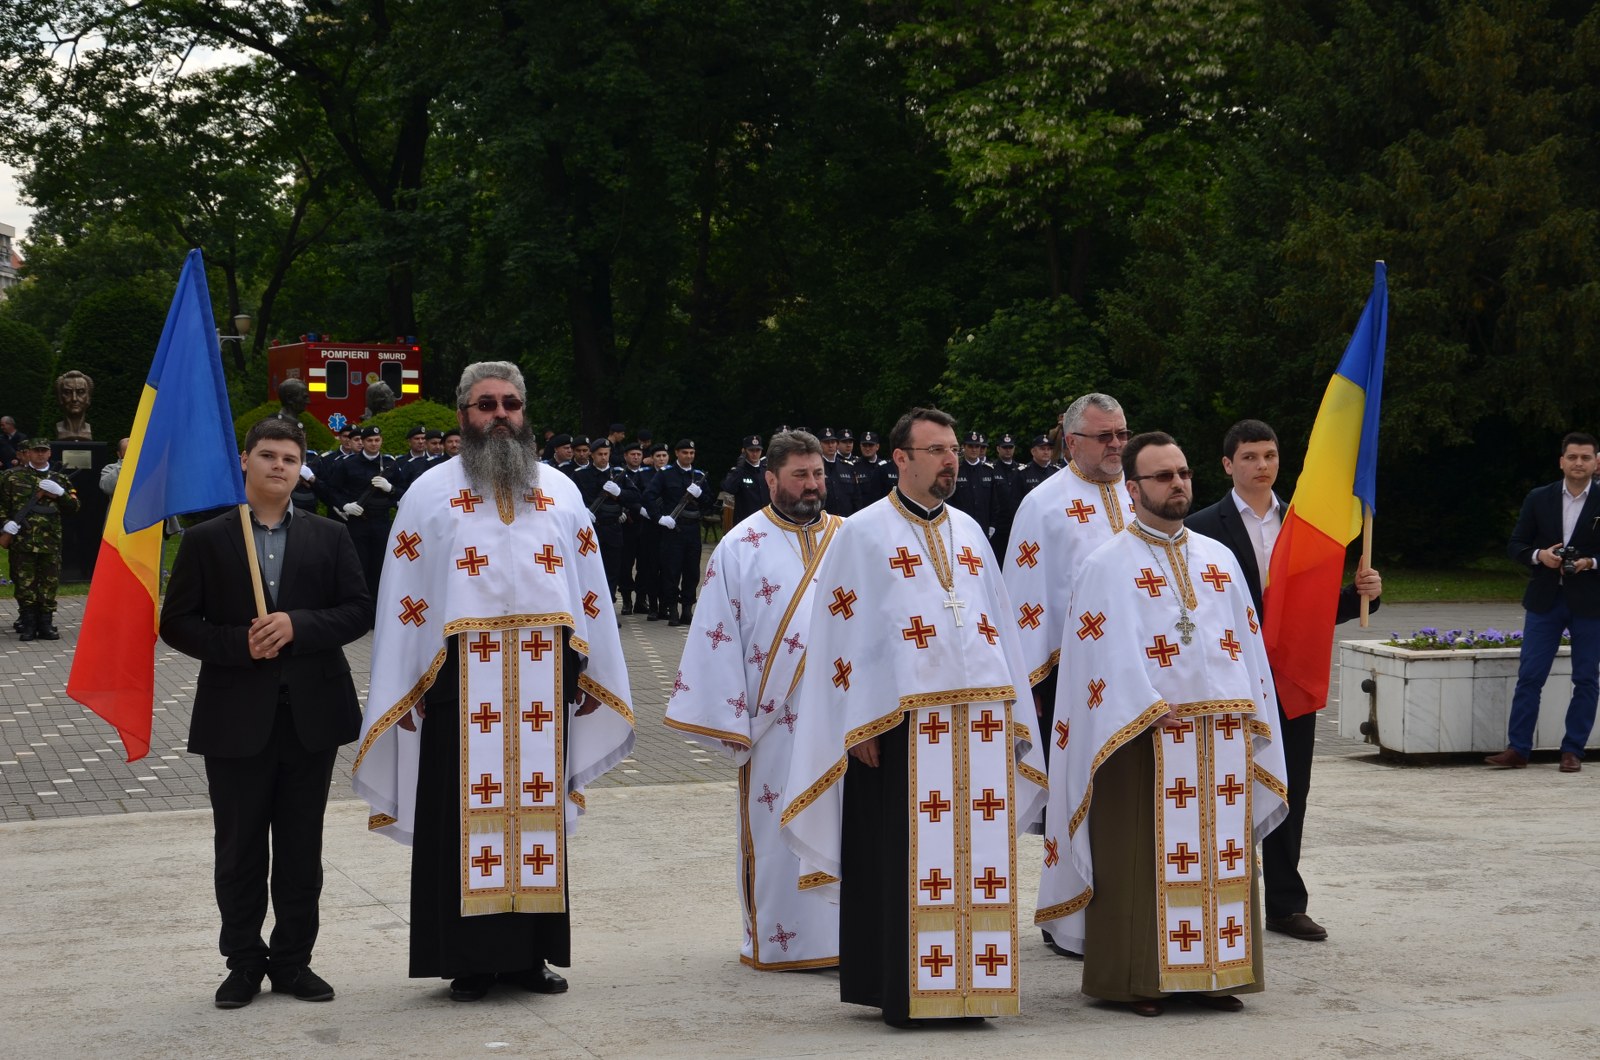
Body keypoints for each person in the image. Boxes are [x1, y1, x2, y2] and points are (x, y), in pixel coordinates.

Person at [352, 360, 635, 1003]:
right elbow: (406, 599)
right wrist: (409, 682)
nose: (500, 414)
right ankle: (469, 960)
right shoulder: (428, 494)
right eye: (487, 404)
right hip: (457, 687)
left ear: (524, 413)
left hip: (544, 681)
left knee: (537, 816)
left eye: (510, 403)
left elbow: (589, 592)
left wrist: (586, 669)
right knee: (460, 821)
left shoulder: (560, 491)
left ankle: (530, 956)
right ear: (463, 414)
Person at [783, 407, 1047, 1027]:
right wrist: (856, 723)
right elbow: (841, 635)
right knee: (902, 859)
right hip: (898, 727)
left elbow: (998, 623)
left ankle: (973, 985)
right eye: (936, 451)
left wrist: (1013, 709)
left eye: (953, 450)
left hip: (979, 723)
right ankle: (903, 989)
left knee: (978, 858)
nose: (950, 461)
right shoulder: (863, 533)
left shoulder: (970, 531)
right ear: (901, 458)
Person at [1034, 431, 1287, 1017]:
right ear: (1133, 488)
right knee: (1139, 861)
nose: (1178, 484)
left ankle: (1214, 974)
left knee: (1217, 855)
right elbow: (1099, 654)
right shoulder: (1106, 564)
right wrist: (1144, 706)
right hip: (1140, 737)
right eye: (1163, 476)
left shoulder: (1218, 558)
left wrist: (1250, 710)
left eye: (1183, 473)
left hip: (1220, 738)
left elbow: (1247, 646)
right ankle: (1135, 982)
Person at [159, 417, 374, 1008]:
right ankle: (244, 962)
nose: (279, 466)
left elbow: (359, 610)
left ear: (301, 468)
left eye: (290, 458)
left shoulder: (329, 536)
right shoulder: (207, 539)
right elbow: (177, 623)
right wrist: (238, 643)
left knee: (302, 849)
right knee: (239, 850)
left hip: (312, 717)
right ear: (245, 461)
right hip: (235, 716)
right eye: (268, 455)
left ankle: (293, 962)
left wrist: (298, 625)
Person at [1187, 419, 1382, 942]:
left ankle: (1285, 904)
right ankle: (1218, 897)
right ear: (1227, 465)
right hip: (1226, 678)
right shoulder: (1200, 528)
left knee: (1290, 786)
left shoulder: (1306, 525)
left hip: (1289, 677)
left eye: (1269, 455)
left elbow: (1314, 610)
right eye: (1249, 457)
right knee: (1223, 786)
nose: (1262, 466)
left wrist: (1363, 593)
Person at [667, 431, 844, 970]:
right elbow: (715, 635)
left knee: (847, 824)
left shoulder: (852, 538)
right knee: (777, 830)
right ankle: (784, 940)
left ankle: (850, 941)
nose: (813, 485)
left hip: (845, 717)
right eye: (800, 475)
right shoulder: (740, 545)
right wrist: (731, 721)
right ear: (771, 479)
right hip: (775, 723)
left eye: (818, 474)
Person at [1003, 394, 1130, 957]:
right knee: (1076, 795)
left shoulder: (1139, 492)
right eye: (1105, 436)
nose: (1116, 445)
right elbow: (1025, 600)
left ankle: (1127, 911)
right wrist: (1029, 687)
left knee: (1128, 801)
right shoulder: (1043, 504)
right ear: (1072, 442)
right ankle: (1066, 915)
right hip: (1070, 679)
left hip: (1145, 676)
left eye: (1122, 434)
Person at [1487, 431, 1600, 774]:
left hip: (1591, 602)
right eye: (1572, 457)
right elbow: (1516, 544)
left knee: (1586, 679)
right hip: (1545, 600)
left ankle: (1572, 751)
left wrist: (1590, 562)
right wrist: (1540, 556)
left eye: (1585, 457)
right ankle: (1518, 748)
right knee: (1530, 676)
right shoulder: (1539, 497)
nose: (1578, 463)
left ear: (1596, 462)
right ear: (1561, 461)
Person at [1, 439, 80, 640]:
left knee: (49, 583)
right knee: (24, 583)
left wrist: (60, 493)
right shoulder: (12, 477)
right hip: (22, 541)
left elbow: (74, 507)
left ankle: (46, 623)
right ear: (28, 453)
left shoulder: (60, 479)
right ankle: (28, 623)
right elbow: (1, 505)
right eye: (36, 451)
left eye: (43, 451)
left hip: (50, 541)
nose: (40, 454)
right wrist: (5, 524)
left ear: (49, 453)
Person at [325, 425, 399, 594]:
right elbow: (332, 490)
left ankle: (377, 603)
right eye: (369, 440)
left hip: (381, 522)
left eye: (377, 440)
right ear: (362, 442)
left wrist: (391, 488)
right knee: (357, 565)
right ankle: (358, 601)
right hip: (358, 522)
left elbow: (404, 491)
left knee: (380, 566)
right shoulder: (347, 464)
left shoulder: (390, 464)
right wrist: (345, 505)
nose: (374, 444)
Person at [645, 438, 710, 626]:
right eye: (685, 452)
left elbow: (709, 502)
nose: (688, 456)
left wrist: (701, 495)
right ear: (677, 454)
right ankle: (672, 608)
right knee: (671, 570)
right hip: (673, 530)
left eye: (691, 453)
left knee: (692, 571)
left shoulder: (698, 475)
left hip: (693, 529)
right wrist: (659, 518)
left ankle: (687, 609)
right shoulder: (666, 474)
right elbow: (649, 496)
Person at [572, 439, 641, 608]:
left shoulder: (619, 474)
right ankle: (590, 607)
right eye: (599, 454)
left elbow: (636, 497)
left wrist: (620, 492)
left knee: (612, 570)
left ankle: (608, 607)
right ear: (592, 455)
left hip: (613, 528)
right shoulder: (580, 474)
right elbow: (570, 498)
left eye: (606, 454)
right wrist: (582, 511)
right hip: (591, 529)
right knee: (590, 570)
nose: (603, 457)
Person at [719, 435, 770, 528]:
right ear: (744, 451)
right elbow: (729, 488)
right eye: (751, 450)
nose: (755, 454)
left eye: (758, 450)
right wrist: (740, 468)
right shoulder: (738, 471)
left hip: (765, 521)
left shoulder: (766, 470)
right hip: (745, 523)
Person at [54, 369, 95, 440]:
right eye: (67, 392)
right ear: (60, 398)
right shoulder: (59, 428)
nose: (74, 399)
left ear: (88, 397)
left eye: (81, 392)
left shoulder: (88, 430)